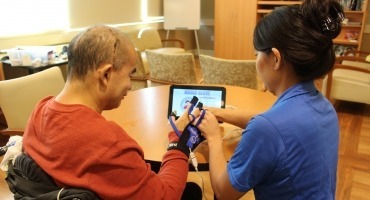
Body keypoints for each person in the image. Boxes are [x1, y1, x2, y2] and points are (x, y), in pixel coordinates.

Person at [22, 25, 203, 199]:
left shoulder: (39, 110)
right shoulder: (109, 143)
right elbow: (166, 196)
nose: (130, 85)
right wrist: (179, 141)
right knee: (191, 191)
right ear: (106, 74)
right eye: (130, 74)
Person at [196, 0, 342, 199]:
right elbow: (277, 127)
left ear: (275, 58)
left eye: (257, 53)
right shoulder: (325, 107)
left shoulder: (268, 129)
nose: (256, 61)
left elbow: (223, 192)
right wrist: (221, 113)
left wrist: (213, 137)